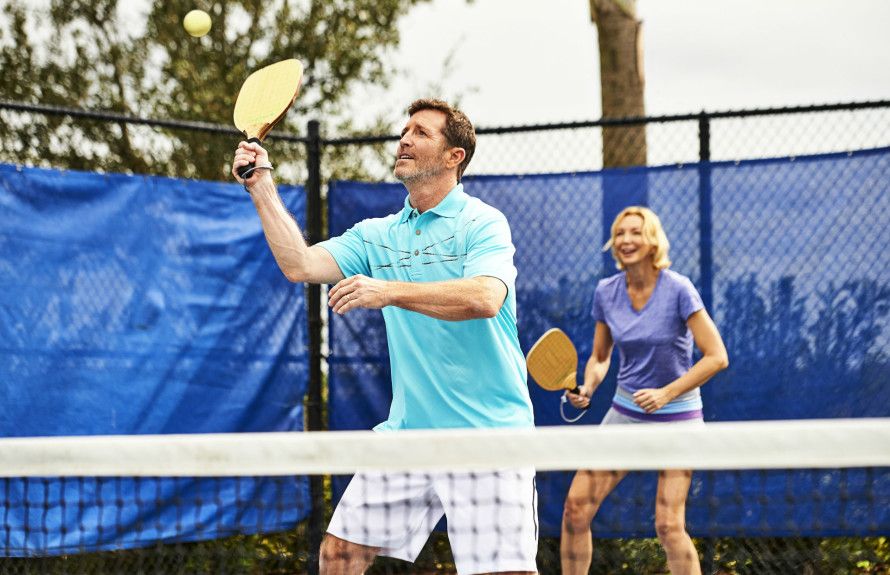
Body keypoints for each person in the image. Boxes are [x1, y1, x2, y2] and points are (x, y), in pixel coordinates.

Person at [232, 99, 538, 575]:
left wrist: (389, 290)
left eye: (420, 132)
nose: (404, 139)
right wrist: (262, 186)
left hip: (489, 438)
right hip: (409, 435)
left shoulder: (482, 222)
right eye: (404, 131)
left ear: (454, 156)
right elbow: (301, 264)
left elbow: (484, 297)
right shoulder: (378, 235)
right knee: (339, 554)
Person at [560, 206, 729, 575]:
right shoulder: (606, 292)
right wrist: (588, 385)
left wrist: (667, 393)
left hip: (679, 418)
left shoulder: (679, 289)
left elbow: (716, 357)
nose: (626, 240)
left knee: (669, 526)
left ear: (652, 241)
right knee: (575, 511)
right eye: (620, 234)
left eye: (635, 232)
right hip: (625, 415)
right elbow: (601, 357)